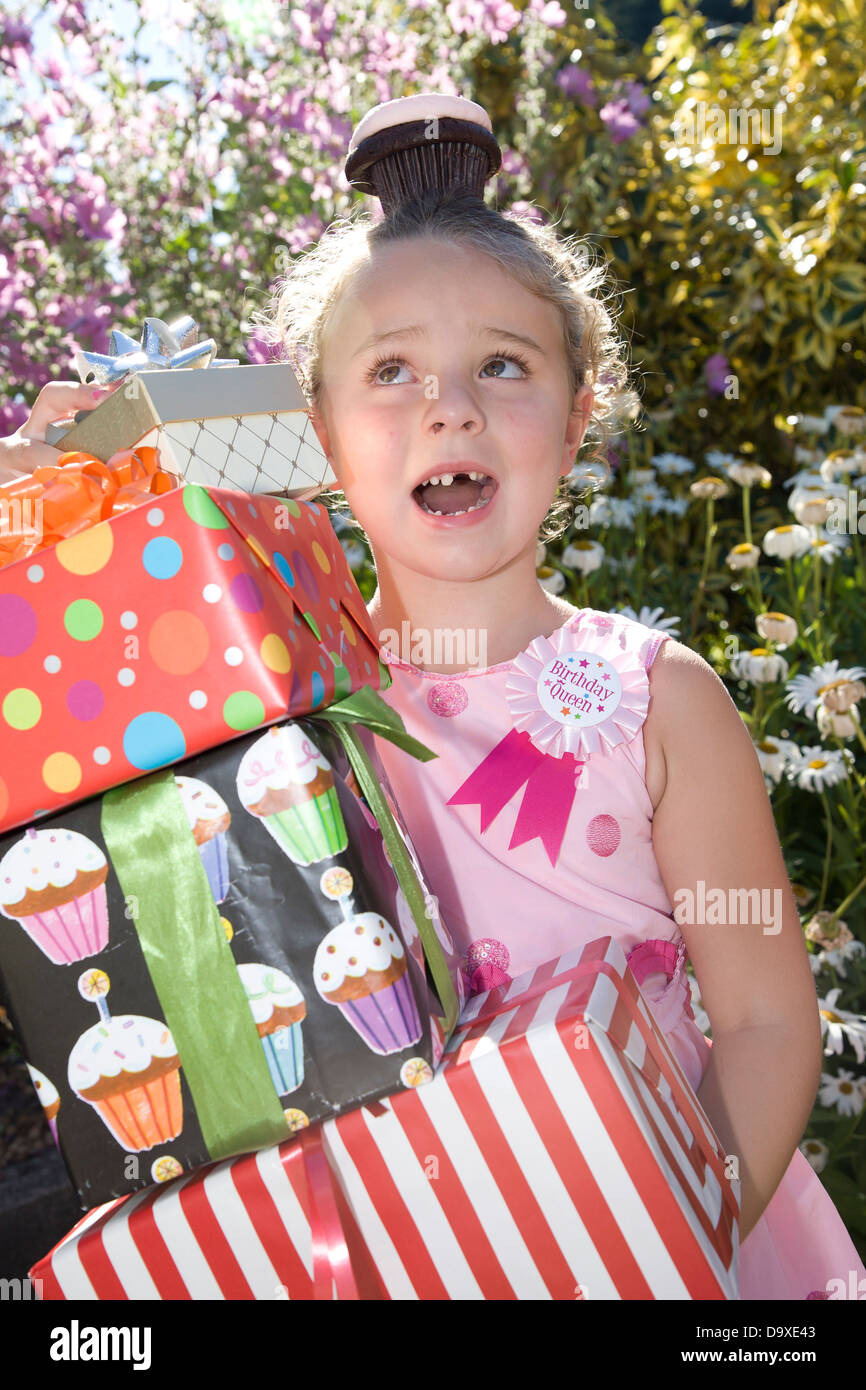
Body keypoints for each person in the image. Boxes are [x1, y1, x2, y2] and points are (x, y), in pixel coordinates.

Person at [2, 94, 862, 1302]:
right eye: (390, 371)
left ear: (575, 419)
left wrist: (663, 1237)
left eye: (500, 366)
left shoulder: (655, 697)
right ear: (314, 440)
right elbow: (79, 714)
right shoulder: (273, 707)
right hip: (404, 1259)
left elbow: (769, 1025)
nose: (447, 407)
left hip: (675, 1245)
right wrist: (55, 501)